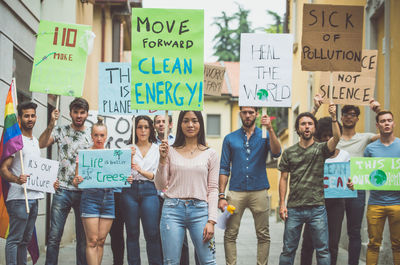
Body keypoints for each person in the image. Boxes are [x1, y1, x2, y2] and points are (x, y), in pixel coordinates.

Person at [313, 95, 381, 265]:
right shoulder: (333, 138)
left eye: (352, 114)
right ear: (341, 116)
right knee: (331, 233)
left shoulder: (365, 138)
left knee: (355, 232)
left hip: (355, 190)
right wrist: (316, 108)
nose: (349, 116)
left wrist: (377, 110)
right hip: (333, 190)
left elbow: (386, 134)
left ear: (357, 118)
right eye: (346, 113)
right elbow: (308, 132)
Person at [218, 106, 281, 265]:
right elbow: (224, 168)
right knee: (230, 234)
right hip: (235, 192)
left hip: (259, 191)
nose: (247, 115)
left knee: (263, 234)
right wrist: (221, 195)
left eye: (251, 112)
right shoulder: (230, 138)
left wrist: (270, 129)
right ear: (240, 114)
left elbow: (276, 152)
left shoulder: (265, 135)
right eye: (244, 112)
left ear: (257, 114)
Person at [278, 104, 339, 265]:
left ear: (314, 128)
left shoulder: (322, 149)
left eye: (310, 124)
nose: (307, 126)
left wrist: (334, 117)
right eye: (303, 124)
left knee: (323, 250)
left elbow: (337, 138)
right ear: (297, 129)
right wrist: (282, 204)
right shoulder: (289, 152)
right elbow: (283, 179)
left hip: (317, 208)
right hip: (293, 209)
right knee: (288, 250)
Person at [156, 111, 218, 265]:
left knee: (208, 261)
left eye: (194, 120)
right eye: (186, 121)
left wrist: (211, 220)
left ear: (200, 124)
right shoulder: (169, 151)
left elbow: (213, 188)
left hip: (201, 212)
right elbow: (160, 185)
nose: (190, 125)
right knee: (171, 262)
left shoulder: (211, 153)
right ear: (180, 124)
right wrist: (162, 160)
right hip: (172, 210)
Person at [72, 117, 132, 265]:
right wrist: (77, 180)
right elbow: (75, 180)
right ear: (91, 136)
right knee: (91, 241)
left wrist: (126, 179)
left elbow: (120, 177)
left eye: (102, 135)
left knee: (101, 240)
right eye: (96, 135)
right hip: (90, 199)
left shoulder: (111, 156)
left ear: (106, 136)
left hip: (109, 199)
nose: (99, 138)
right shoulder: (85, 155)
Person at [39, 98, 91, 265]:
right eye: (75, 112)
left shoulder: (91, 135)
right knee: (54, 236)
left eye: (82, 112)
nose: (79, 115)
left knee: (82, 239)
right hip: (62, 190)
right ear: (70, 113)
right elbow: (41, 143)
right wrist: (51, 124)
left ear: (87, 114)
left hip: (83, 192)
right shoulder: (60, 130)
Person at [348, 110, 400, 264]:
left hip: (397, 203)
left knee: (397, 245)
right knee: (373, 244)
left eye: (389, 120)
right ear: (377, 125)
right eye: (383, 121)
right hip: (375, 203)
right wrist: (355, 182)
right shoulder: (370, 149)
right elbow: (365, 174)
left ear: (393, 123)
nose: (386, 123)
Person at [300, 117, 350, 265]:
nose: (328, 138)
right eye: (324, 135)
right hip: (314, 203)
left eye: (330, 135)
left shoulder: (344, 155)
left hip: (336, 204)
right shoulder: (314, 154)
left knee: (332, 244)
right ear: (319, 136)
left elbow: (348, 179)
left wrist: (351, 184)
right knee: (308, 243)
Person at [0, 102, 45, 265]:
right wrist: (17, 179)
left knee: (25, 240)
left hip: (34, 198)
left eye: (32, 115)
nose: (30, 119)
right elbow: (4, 169)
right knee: (15, 239)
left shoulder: (34, 141)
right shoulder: (16, 141)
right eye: (26, 115)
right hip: (18, 198)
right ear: (19, 118)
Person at [121, 115, 163, 265]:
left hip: (150, 191)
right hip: (129, 192)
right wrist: (127, 167)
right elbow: (119, 174)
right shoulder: (127, 149)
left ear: (151, 129)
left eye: (146, 127)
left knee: (152, 233)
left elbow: (158, 176)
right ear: (135, 129)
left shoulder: (158, 149)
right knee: (132, 233)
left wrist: (141, 171)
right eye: (139, 127)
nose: (143, 130)